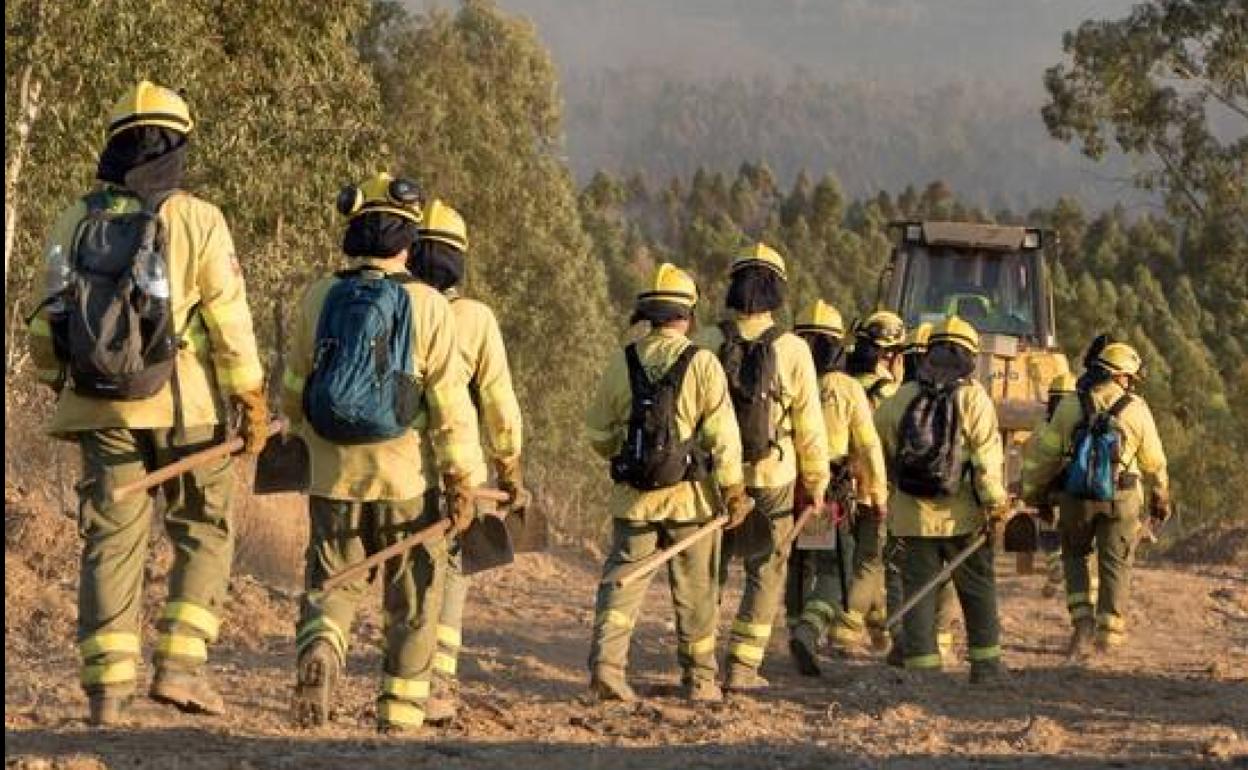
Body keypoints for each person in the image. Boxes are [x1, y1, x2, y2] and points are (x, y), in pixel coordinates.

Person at [26, 81, 267, 725]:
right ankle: (181, 671)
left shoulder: (75, 218)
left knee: (110, 539)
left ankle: (107, 690)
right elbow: (229, 318)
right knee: (204, 532)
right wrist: (250, 396)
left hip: (102, 408)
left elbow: (44, 319)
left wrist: (63, 381)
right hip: (188, 410)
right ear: (176, 147)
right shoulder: (198, 217)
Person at [283, 173, 480, 733]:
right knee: (414, 597)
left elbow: (295, 383)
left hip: (333, 473)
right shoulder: (428, 305)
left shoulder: (320, 294)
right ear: (407, 241)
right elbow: (449, 407)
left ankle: (321, 648)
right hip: (406, 480)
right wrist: (460, 479)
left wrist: (294, 431)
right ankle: (398, 714)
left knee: (331, 583)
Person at [585, 263, 749, 703]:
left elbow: (598, 434)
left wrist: (628, 453)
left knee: (622, 581)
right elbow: (723, 436)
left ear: (649, 315)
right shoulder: (703, 363)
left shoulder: (622, 361)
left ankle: (607, 666)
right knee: (696, 592)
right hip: (691, 503)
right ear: (688, 316)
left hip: (634, 500)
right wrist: (734, 492)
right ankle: (700, 680)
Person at [406, 199, 528, 723]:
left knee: (400, 572)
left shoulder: (392, 302)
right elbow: (499, 404)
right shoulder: (475, 318)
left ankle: (388, 666)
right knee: (449, 570)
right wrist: (510, 470)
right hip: (458, 470)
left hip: (397, 465)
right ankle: (435, 684)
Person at [694, 243, 829, 692]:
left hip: (716, 481)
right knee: (766, 571)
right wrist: (816, 483)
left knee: (709, 569)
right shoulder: (792, 350)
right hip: (773, 479)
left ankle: (700, 665)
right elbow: (809, 427)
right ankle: (743, 667)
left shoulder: (708, 342)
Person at [875, 316, 1011, 683]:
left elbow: (882, 451)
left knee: (919, 591)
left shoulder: (900, 397)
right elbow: (986, 462)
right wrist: (996, 506)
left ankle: (924, 670)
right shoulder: (974, 398)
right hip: (963, 517)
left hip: (912, 517)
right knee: (977, 589)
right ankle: (986, 668)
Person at [1022, 342, 1169, 659]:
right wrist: (1161, 495)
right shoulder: (1137, 408)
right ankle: (1110, 636)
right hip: (1123, 497)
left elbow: (1046, 456)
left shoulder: (1070, 405)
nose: (1131, 383)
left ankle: (1082, 623)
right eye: (1130, 378)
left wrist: (1035, 493)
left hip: (1076, 497)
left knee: (1074, 556)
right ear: (1121, 376)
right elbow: (1154, 462)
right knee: (1115, 563)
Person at [785, 300, 888, 677]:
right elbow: (868, 444)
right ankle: (809, 631)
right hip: (824, 489)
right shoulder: (843, 387)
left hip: (786, 486)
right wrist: (878, 495)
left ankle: (793, 625)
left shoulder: (785, 373)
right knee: (834, 563)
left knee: (798, 561)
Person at [831, 311, 905, 654]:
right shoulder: (889, 392)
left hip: (839, 487)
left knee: (856, 560)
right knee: (871, 561)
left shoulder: (840, 383)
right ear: (891, 354)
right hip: (876, 489)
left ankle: (880, 632)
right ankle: (845, 630)